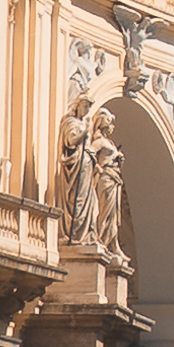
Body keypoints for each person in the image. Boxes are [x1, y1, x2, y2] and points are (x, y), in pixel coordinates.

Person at [57, 97, 97, 245]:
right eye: (85, 106)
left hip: (86, 166)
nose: (86, 110)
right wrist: (85, 132)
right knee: (76, 200)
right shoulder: (70, 122)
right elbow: (71, 141)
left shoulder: (83, 123)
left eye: (89, 107)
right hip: (75, 166)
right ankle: (73, 234)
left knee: (88, 202)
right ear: (77, 106)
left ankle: (82, 234)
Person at [90, 109, 125, 259]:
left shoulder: (109, 142)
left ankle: (112, 242)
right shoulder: (99, 141)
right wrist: (98, 167)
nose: (112, 127)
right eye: (109, 123)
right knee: (105, 211)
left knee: (113, 214)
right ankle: (101, 239)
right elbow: (90, 152)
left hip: (114, 179)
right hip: (105, 178)